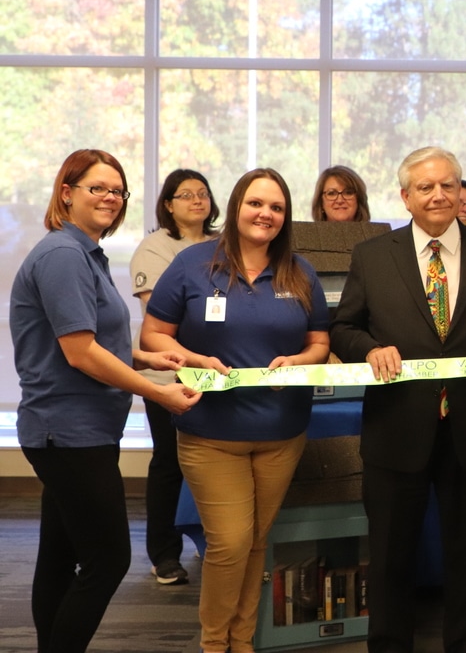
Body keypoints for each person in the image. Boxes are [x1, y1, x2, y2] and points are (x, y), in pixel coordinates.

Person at [330, 146, 466, 653]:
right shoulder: (372, 256)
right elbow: (343, 327)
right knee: (391, 553)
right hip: (396, 426)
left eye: (448, 185)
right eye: (426, 187)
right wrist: (371, 348)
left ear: (462, 191)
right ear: (406, 197)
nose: (439, 195)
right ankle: (389, 643)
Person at [12, 149, 199, 653]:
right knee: (109, 559)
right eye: (98, 187)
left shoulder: (84, 253)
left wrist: (145, 360)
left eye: (117, 191)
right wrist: (157, 392)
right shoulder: (63, 256)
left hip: (78, 430)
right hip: (68, 433)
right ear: (66, 192)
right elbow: (80, 353)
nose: (110, 198)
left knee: (58, 552)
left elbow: (92, 341)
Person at [141, 168, 331, 653]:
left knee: (256, 542)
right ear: (236, 206)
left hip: (282, 433)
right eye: (256, 203)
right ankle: (213, 643)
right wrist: (192, 358)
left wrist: (299, 360)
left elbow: (320, 343)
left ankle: (242, 641)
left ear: (285, 217)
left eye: (276, 207)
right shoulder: (192, 263)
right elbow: (153, 335)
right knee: (228, 542)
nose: (265, 214)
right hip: (210, 433)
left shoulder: (300, 270)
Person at [130, 168, 220, 586]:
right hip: (168, 373)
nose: (197, 201)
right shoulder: (155, 247)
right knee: (171, 463)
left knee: (214, 461)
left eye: (203, 193)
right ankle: (163, 554)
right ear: (168, 204)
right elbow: (162, 312)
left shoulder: (223, 244)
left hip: (218, 371)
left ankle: (212, 544)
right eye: (185, 195)